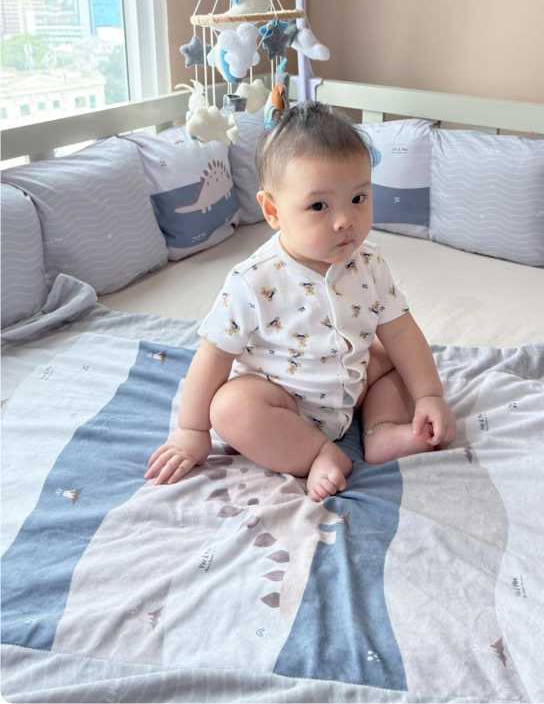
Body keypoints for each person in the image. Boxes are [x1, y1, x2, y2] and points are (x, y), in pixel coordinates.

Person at [145, 102, 456, 501]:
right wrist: (192, 430)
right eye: (319, 206)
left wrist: (429, 395)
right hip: (284, 403)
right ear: (273, 210)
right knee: (230, 407)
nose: (345, 220)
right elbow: (213, 356)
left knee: (397, 355)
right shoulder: (253, 280)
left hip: (352, 384)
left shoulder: (370, 263)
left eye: (358, 198)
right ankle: (316, 453)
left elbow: (401, 330)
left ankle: (380, 431)